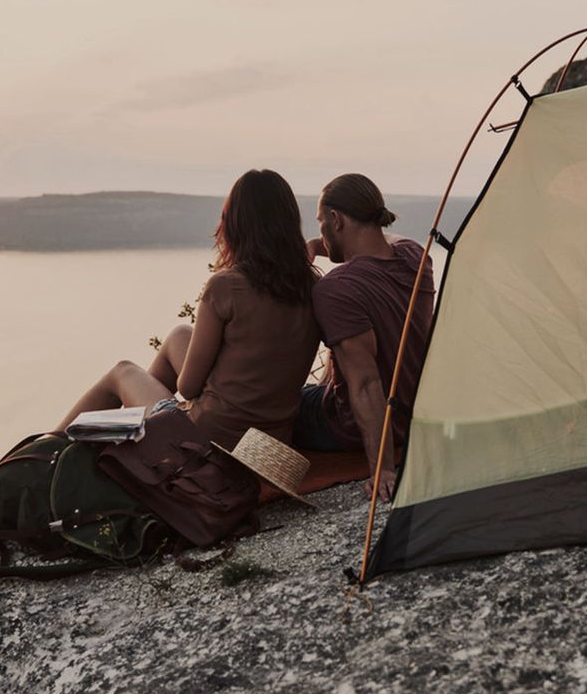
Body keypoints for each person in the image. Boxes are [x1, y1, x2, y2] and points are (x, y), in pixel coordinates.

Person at [56, 169, 321, 450]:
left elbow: (189, 388)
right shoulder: (313, 286)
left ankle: (45, 451)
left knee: (122, 372)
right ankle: (128, 440)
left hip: (209, 438)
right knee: (180, 334)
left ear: (234, 224)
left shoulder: (226, 286)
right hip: (270, 444)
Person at [294, 173, 435, 501]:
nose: (320, 234)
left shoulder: (337, 289)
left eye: (320, 224)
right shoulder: (416, 259)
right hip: (414, 410)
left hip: (348, 427)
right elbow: (391, 240)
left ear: (335, 219)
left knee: (278, 402)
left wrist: (382, 468)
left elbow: (367, 384)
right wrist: (320, 245)